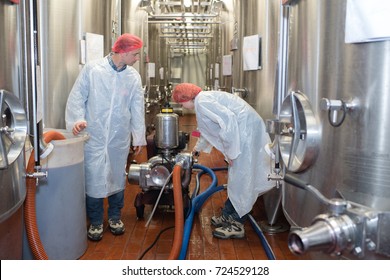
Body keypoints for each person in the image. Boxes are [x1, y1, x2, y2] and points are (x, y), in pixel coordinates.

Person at [65, 33, 146, 241]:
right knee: (93, 178)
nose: (137, 58)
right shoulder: (93, 70)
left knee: (117, 176)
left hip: (118, 139)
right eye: (135, 54)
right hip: (94, 137)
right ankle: (95, 221)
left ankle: (115, 217)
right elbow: (77, 98)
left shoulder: (133, 77)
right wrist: (77, 121)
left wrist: (138, 137)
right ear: (124, 52)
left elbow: (137, 108)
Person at [172, 83, 274, 239]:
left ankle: (237, 224)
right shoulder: (202, 101)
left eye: (181, 102)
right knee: (237, 180)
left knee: (242, 180)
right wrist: (197, 149)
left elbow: (228, 122)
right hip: (243, 134)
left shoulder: (203, 102)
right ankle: (228, 214)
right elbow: (207, 129)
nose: (182, 106)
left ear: (186, 98)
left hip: (245, 136)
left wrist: (231, 153)